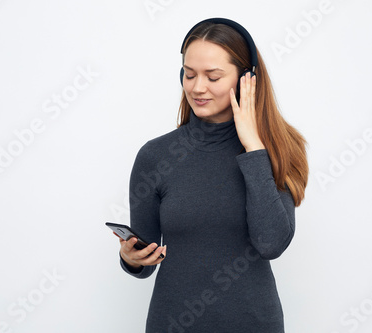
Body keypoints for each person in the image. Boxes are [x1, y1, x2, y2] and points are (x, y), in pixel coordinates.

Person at [113, 17, 308, 332]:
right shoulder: (155, 156)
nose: (197, 87)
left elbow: (271, 243)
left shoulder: (276, 150)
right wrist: (132, 259)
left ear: (248, 79)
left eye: (213, 77)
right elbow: (146, 254)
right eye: (189, 75)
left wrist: (253, 148)